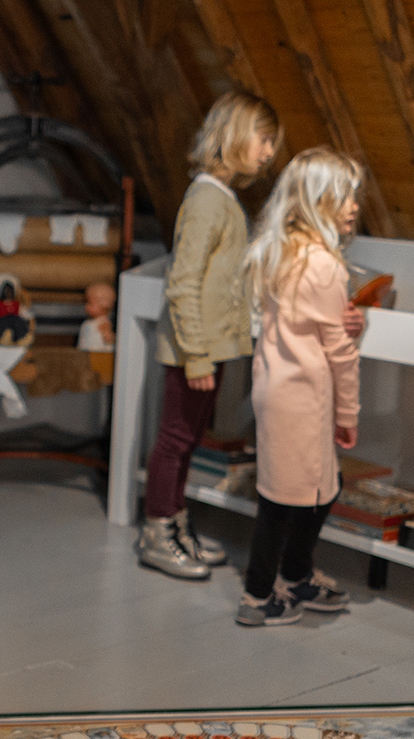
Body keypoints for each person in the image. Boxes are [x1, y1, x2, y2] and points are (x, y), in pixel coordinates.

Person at [140, 91, 282, 580]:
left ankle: (175, 526)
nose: (269, 153)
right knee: (175, 440)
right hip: (192, 349)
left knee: (189, 439)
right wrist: (196, 356)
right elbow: (183, 282)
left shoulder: (222, 198)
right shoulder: (205, 199)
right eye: (264, 140)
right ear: (236, 134)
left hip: (209, 347)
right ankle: (157, 532)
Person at [234, 148, 365, 627]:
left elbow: (312, 325)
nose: (354, 204)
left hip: (274, 390)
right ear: (317, 201)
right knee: (290, 499)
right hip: (306, 398)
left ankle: (294, 573)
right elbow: (340, 354)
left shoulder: (278, 252)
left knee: (298, 491)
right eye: (344, 195)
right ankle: (258, 594)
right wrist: (348, 413)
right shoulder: (325, 267)